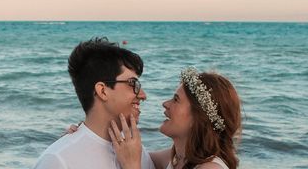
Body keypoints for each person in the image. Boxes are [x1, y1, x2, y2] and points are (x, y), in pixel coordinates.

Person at [33, 37, 155, 169]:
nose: (143, 95)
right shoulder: (58, 161)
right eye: (133, 83)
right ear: (102, 91)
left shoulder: (137, 153)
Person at [109, 68, 241, 169]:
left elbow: (134, 160)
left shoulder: (211, 168)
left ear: (198, 117)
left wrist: (131, 166)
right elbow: (139, 156)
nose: (165, 104)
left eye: (176, 100)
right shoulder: (177, 158)